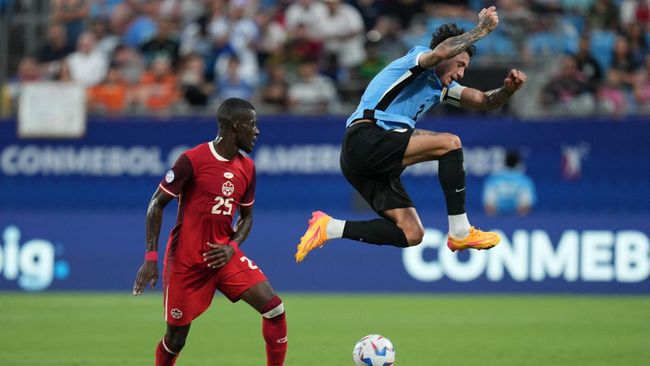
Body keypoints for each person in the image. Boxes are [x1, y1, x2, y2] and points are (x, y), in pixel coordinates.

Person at [295, 7, 527, 262]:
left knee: (411, 233)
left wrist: (508, 90)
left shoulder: (442, 87)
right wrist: (480, 31)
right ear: (448, 54)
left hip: (370, 162)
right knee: (450, 143)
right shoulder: (417, 59)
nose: (461, 73)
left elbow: (484, 100)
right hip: (365, 138)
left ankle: (329, 227)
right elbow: (439, 53)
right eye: (460, 64)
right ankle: (460, 231)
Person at [132, 98, 288, 366]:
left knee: (274, 308)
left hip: (224, 256)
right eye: (253, 124)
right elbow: (156, 204)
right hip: (187, 262)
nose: (257, 131)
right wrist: (150, 258)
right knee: (176, 340)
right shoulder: (192, 160)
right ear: (236, 126)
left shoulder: (247, 168)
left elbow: (247, 218)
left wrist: (233, 245)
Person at [482, 150, 537, 216]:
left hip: (496, 221)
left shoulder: (493, 179)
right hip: (519, 222)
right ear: (519, 163)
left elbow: (489, 206)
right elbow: (526, 205)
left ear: (504, 163)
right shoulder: (525, 180)